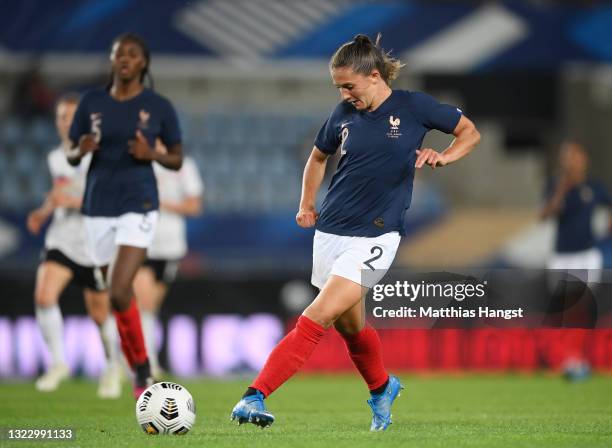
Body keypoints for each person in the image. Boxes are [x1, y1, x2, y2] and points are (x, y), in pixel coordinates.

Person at [230, 34, 480, 431]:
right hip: (331, 232)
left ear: (375, 76)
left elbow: (469, 132)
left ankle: (253, 395)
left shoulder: (414, 107)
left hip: (376, 238)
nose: (345, 94)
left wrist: (444, 156)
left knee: (316, 317)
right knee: (351, 328)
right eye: (339, 88)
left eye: (349, 85)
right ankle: (382, 389)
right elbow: (317, 156)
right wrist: (305, 204)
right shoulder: (343, 114)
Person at [66, 33, 183, 399]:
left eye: (132, 54)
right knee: (113, 294)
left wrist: (153, 154)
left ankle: (141, 368)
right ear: (112, 60)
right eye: (119, 54)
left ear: (143, 63)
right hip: (98, 204)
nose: (124, 59)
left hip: (140, 202)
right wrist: (79, 149)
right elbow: (72, 151)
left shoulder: (158, 106)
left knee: (119, 289)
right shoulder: (92, 102)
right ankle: (140, 365)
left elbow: (177, 157)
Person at [27, 93, 122, 398]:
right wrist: (42, 213)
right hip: (62, 239)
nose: (64, 122)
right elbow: (59, 193)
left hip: (93, 243)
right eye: (60, 117)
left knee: (99, 314)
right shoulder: (56, 157)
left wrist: (72, 200)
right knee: (44, 296)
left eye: (70, 117)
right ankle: (58, 363)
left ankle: (111, 367)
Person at [133, 140, 204, 377]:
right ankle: (146, 362)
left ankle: (136, 356)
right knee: (144, 302)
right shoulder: (137, 165)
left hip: (171, 246)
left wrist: (161, 203)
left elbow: (194, 206)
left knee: (151, 306)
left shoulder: (183, 166)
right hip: (141, 242)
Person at [541, 141, 611, 284]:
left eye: (574, 156)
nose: (570, 161)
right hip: (562, 255)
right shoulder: (554, 184)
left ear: (583, 159)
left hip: (586, 254)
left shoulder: (593, 186)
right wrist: (561, 191)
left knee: (585, 301)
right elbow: (544, 216)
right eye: (566, 157)